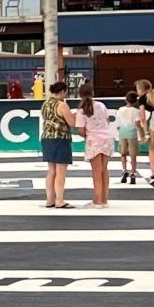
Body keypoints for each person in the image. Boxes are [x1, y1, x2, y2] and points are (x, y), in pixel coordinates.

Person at [73, 83, 114, 208]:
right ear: (93, 93)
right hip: (107, 139)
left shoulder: (81, 111)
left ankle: (97, 200)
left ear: (80, 95)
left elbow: (80, 130)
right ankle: (104, 199)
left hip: (93, 140)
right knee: (104, 170)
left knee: (96, 171)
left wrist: (88, 136)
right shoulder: (101, 105)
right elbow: (107, 121)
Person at [41, 80, 75, 210]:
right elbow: (71, 123)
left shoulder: (45, 103)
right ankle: (59, 200)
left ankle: (50, 199)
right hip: (60, 138)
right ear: (62, 92)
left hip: (47, 137)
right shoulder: (62, 105)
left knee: (51, 171)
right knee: (61, 171)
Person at [115, 88, 144, 185]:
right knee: (133, 155)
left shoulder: (120, 110)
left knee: (123, 153)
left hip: (122, 133)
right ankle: (133, 172)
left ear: (126, 100)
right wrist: (142, 135)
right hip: (132, 134)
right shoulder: (136, 111)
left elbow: (118, 123)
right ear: (136, 101)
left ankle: (124, 170)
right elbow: (138, 123)